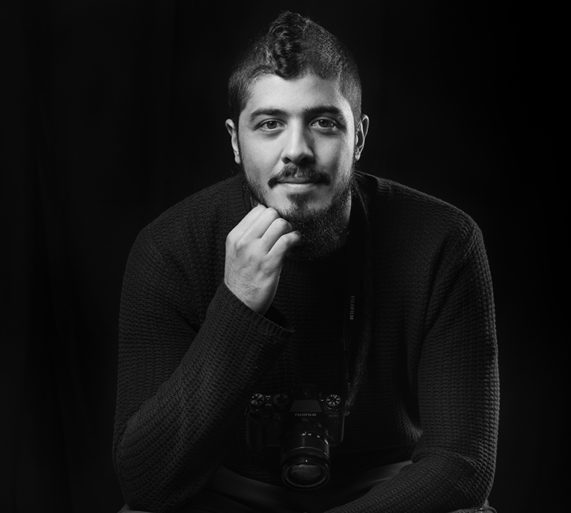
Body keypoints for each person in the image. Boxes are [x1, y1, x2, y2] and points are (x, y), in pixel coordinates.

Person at [113, 11, 499, 513]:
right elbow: (145, 482)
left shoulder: (443, 240)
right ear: (235, 141)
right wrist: (237, 308)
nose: (296, 150)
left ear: (358, 138)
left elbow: (462, 465)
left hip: (384, 495)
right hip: (226, 494)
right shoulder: (169, 247)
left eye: (323, 122)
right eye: (270, 124)